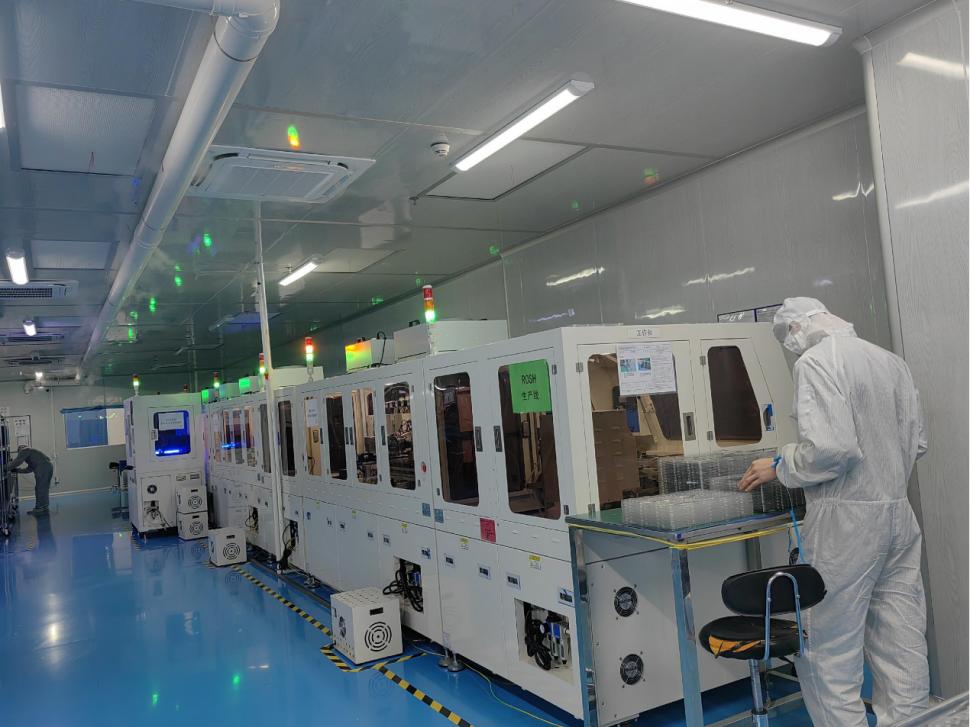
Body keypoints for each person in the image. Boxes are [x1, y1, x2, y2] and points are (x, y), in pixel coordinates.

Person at [739, 297, 929, 727]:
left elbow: (832, 450)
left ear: (796, 329)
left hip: (846, 523)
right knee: (901, 639)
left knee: (828, 646)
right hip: (898, 514)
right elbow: (918, 443)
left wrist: (780, 464)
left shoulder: (816, 362)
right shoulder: (891, 362)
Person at [6, 446, 54, 516]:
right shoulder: (32, 454)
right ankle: (44, 506)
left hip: (43, 469)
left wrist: (5, 468)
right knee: (44, 488)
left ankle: (39, 508)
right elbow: (29, 469)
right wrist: (17, 470)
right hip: (48, 467)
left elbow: (17, 461)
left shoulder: (24, 450)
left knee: (40, 488)